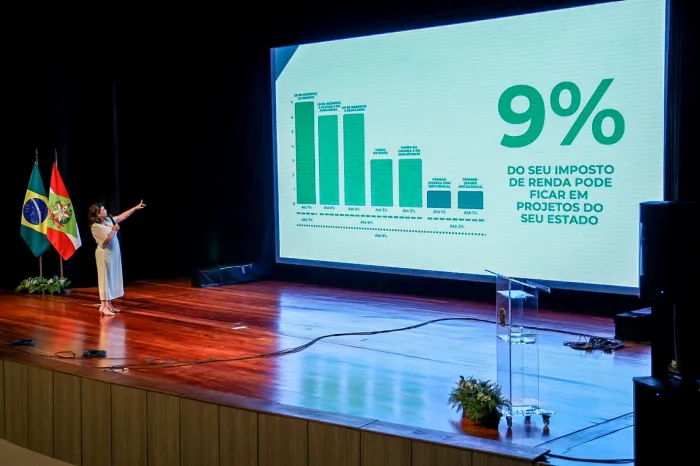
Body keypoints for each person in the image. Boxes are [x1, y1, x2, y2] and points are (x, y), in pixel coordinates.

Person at [88, 200, 146, 316]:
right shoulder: (95, 226)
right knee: (105, 278)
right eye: (103, 210)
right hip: (104, 255)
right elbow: (105, 241)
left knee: (111, 278)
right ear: (98, 214)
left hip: (113, 254)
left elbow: (122, 216)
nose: (106, 210)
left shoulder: (108, 220)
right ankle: (103, 306)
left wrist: (135, 208)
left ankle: (109, 304)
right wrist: (114, 231)